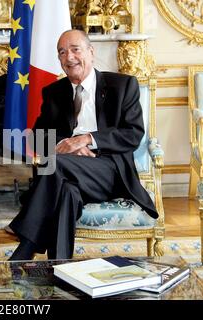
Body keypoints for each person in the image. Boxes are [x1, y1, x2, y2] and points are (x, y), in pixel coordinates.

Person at [8, 29, 158, 261]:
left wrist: (87, 139)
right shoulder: (54, 92)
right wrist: (66, 144)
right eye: (62, 52)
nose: (69, 57)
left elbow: (133, 134)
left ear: (91, 52)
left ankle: (26, 245)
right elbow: (37, 135)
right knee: (67, 191)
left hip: (108, 170)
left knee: (55, 165)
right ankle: (59, 266)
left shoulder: (122, 85)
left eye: (75, 49)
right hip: (69, 172)